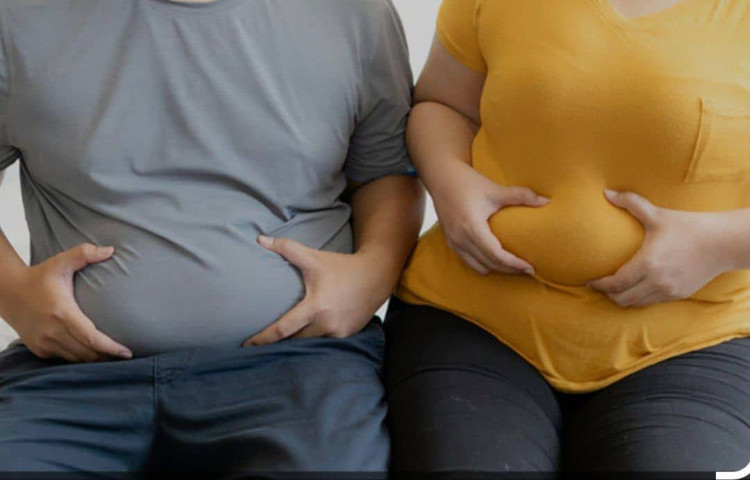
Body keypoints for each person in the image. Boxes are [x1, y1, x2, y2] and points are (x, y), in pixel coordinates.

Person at [0, 0, 424, 476]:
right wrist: (12, 292)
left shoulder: (355, 14)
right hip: (69, 378)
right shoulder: (17, 18)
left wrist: (373, 273)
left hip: (299, 365)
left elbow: (387, 172)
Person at [385, 0, 750, 476]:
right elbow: (443, 104)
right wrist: (449, 181)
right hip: (473, 319)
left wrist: (718, 245)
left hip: (692, 342)